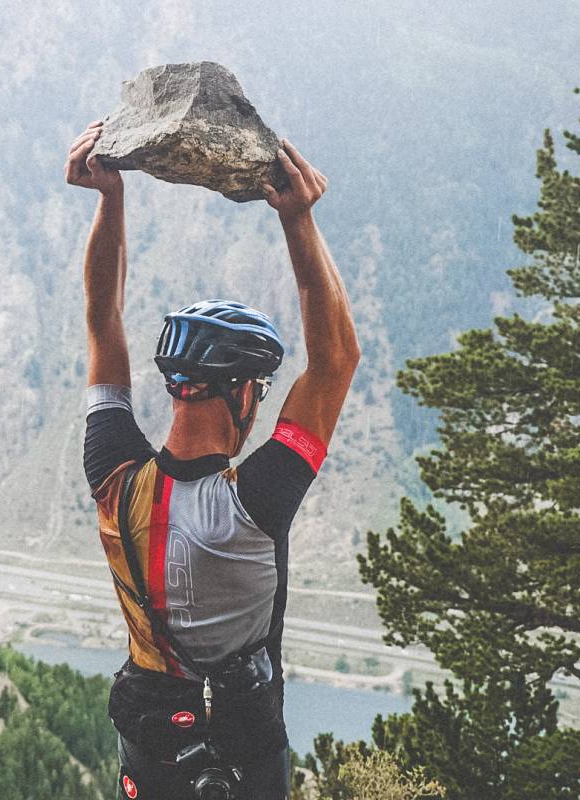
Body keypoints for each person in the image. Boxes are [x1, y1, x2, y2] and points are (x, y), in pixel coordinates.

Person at [66, 119, 360, 800]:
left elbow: (102, 317)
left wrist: (110, 200)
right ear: (242, 395)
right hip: (238, 754)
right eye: (259, 390)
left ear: (176, 385)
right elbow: (337, 360)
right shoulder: (255, 504)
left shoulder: (112, 473)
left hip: (145, 742)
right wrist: (298, 221)